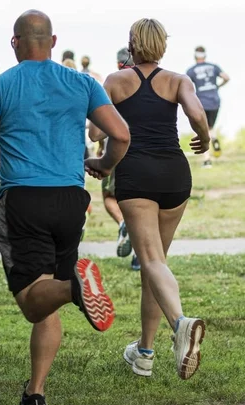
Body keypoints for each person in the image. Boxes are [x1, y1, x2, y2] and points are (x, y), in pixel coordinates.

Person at [0, 10, 130, 405]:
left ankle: (74, 287)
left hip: (24, 198)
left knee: (32, 302)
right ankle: (35, 394)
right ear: (53, 42)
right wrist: (105, 165)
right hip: (71, 200)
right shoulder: (82, 82)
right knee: (48, 293)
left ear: (14, 42)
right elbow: (122, 134)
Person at [89, 18, 209, 380]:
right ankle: (144, 353)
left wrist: (101, 146)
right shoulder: (178, 80)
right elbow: (197, 114)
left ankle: (181, 325)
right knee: (155, 268)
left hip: (136, 174)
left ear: (131, 44)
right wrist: (203, 137)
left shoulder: (115, 80)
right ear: (163, 45)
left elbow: (96, 129)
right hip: (175, 173)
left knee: (152, 262)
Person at [89, 47, 140, 271]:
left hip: (118, 151)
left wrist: (101, 149)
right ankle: (140, 255)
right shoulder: (154, 82)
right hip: (148, 154)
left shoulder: (112, 84)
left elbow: (96, 132)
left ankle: (122, 224)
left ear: (119, 64)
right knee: (143, 206)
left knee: (110, 195)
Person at [186, 46, 230, 167]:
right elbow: (226, 77)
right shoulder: (214, 66)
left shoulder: (191, 70)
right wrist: (218, 86)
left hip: (202, 102)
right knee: (211, 127)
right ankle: (214, 138)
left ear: (195, 56)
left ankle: (207, 160)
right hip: (215, 100)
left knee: (202, 130)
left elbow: (186, 86)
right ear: (205, 55)